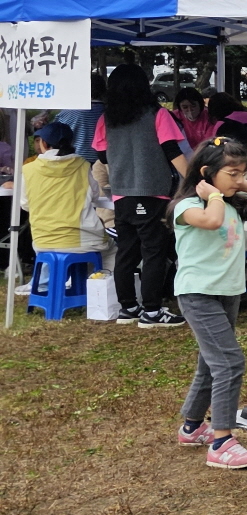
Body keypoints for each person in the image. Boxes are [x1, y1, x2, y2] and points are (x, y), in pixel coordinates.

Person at [171, 138, 247, 470]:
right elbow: (212, 221)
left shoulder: (235, 203)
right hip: (198, 293)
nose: (238, 179)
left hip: (227, 293)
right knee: (230, 363)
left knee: (211, 361)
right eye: (232, 172)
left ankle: (192, 427)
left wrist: (242, 183)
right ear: (206, 174)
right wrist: (214, 194)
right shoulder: (187, 206)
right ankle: (221, 441)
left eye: (243, 173)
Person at [95, 64, 190, 327]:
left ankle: (128, 308)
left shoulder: (106, 120)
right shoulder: (157, 114)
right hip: (152, 193)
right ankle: (151, 311)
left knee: (126, 252)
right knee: (154, 252)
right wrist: (194, 182)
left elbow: (102, 156)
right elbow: (173, 152)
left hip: (121, 194)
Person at [19, 122, 109, 254]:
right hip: (85, 240)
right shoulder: (83, 166)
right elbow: (94, 196)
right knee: (111, 251)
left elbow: (25, 205)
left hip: (43, 241)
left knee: (52, 261)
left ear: (43, 143)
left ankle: (56, 274)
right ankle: (88, 275)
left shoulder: (28, 169)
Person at [58, 74, 107, 165]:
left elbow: (57, 133)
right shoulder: (108, 111)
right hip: (102, 162)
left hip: (75, 161)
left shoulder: (70, 111)